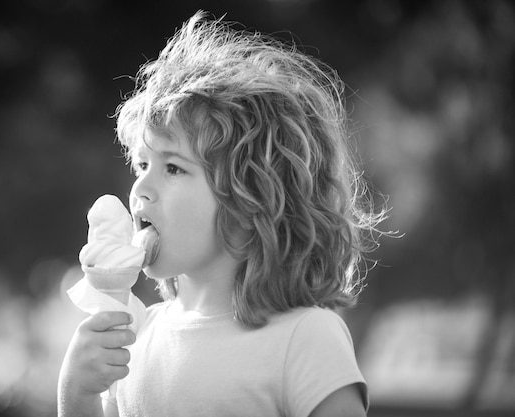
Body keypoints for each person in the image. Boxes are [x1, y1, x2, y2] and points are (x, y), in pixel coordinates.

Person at [58, 10, 386, 417]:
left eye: (173, 167)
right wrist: (76, 394)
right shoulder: (136, 339)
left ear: (251, 199)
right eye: (142, 165)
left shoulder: (303, 338)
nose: (141, 188)